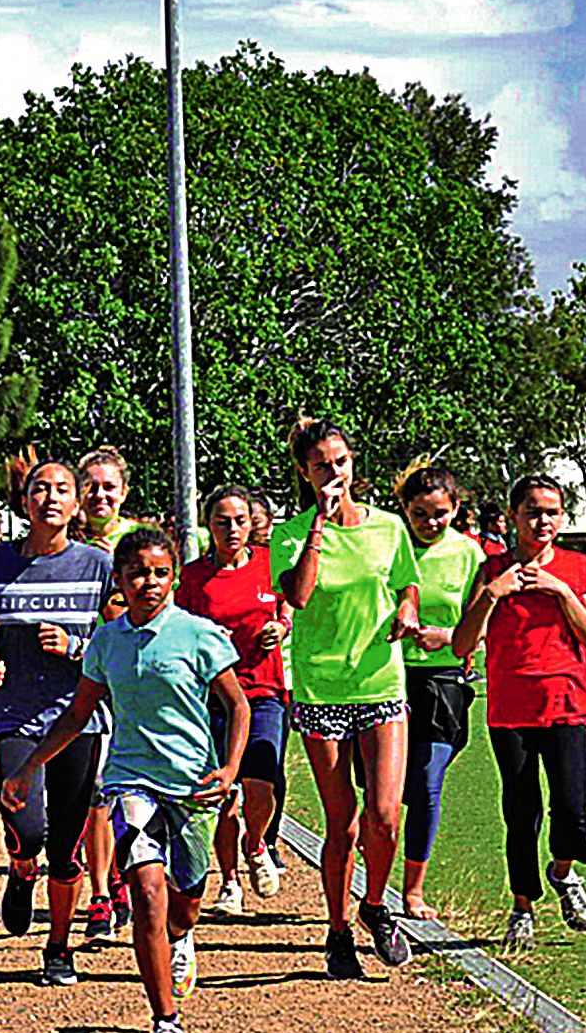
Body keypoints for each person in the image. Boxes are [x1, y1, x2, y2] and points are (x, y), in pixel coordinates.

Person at [4, 527, 248, 1033]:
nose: (149, 583)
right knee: (146, 894)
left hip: (195, 786)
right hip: (131, 783)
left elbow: (238, 707)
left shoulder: (200, 635)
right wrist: (28, 768)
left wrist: (229, 768)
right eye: (138, 573)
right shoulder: (107, 642)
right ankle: (166, 1022)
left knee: (185, 899)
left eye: (160, 572)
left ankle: (181, 937)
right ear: (119, 579)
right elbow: (76, 714)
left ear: (175, 576)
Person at [270, 418, 419, 979]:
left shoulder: (387, 528)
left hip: (380, 682)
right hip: (322, 688)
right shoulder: (289, 533)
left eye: (340, 461)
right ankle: (337, 930)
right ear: (305, 476)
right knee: (344, 822)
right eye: (320, 466)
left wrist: (408, 607)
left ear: (352, 462)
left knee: (384, 816)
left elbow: (406, 581)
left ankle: (376, 906)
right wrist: (320, 529)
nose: (333, 473)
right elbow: (300, 595)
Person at [0, 460, 114, 985]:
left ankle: (58, 947)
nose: (50, 498)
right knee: (28, 826)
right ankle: (21, 868)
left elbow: (124, 639)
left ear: (78, 504)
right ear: (24, 501)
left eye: (62, 490)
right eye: (39, 489)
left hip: (79, 717)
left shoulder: (97, 566)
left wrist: (77, 647)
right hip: (12, 711)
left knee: (67, 844)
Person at [453, 477, 586, 948]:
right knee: (522, 814)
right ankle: (522, 907)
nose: (543, 521)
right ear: (514, 517)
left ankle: (563, 874)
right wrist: (493, 593)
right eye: (533, 511)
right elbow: (462, 643)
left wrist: (560, 592)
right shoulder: (491, 569)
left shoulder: (579, 569)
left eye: (552, 512)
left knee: (573, 811)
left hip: (567, 705)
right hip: (511, 711)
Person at [177, 486, 288, 918]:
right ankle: (229, 882)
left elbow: (290, 604)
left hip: (262, 689)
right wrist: (206, 642)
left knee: (262, 783)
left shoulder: (271, 565)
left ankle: (256, 842)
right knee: (222, 792)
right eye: (223, 521)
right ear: (209, 525)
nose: (233, 529)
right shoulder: (192, 577)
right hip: (212, 697)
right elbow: (178, 628)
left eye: (240, 520)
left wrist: (282, 626)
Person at [396, 466, 485, 921]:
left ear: (455, 511)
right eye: (419, 514)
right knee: (382, 795)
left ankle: (413, 891)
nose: (430, 523)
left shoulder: (469, 553)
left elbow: (482, 623)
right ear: (404, 511)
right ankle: (370, 885)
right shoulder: (390, 545)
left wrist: (447, 636)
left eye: (440, 514)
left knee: (428, 785)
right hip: (384, 681)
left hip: (443, 682)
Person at [75, 446, 151, 942]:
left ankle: (127, 875)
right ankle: (101, 893)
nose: (100, 495)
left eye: (109, 486)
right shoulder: (65, 544)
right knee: (94, 796)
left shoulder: (142, 543)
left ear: (124, 492)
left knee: (132, 794)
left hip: (136, 684)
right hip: (82, 683)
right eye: (92, 487)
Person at [250, 495, 292, 870]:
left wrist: (284, 622)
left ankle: (268, 838)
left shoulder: (277, 560)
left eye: (263, 519)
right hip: (240, 683)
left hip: (284, 680)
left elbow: (291, 601)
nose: (260, 525)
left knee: (271, 765)